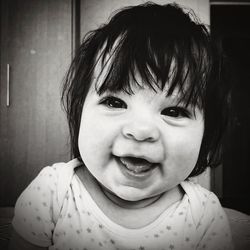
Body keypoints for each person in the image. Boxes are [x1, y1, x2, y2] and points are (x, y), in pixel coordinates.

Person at [9, 2, 233, 250]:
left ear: (207, 132)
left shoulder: (204, 216)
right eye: (114, 102)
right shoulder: (52, 192)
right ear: (80, 109)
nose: (140, 131)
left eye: (173, 111)